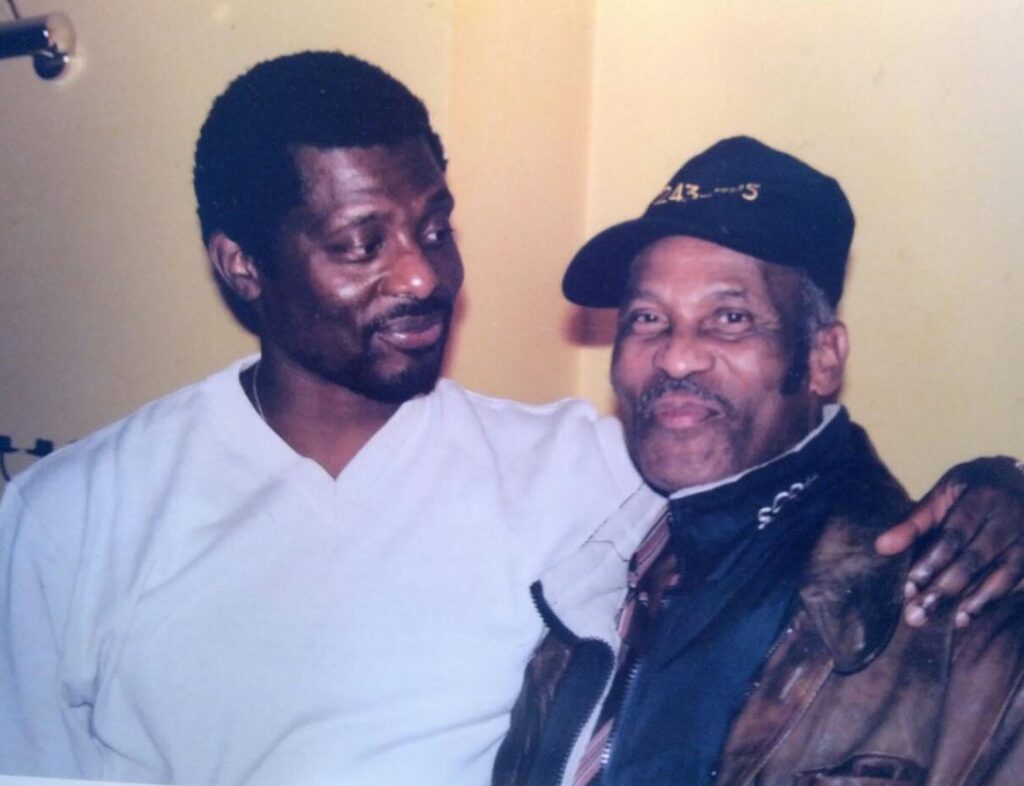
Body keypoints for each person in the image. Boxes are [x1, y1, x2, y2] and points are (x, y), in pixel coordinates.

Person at [0, 53, 1018, 786]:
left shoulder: (585, 471)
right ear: (244, 266)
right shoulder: (71, 520)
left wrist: (994, 488)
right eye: (363, 243)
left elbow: (793, 487)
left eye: (434, 225)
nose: (421, 272)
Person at [493, 136, 1024, 786]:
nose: (677, 356)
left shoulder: (956, 610)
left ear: (823, 358)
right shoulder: (590, 584)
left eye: (731, 317)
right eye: (648, 318)